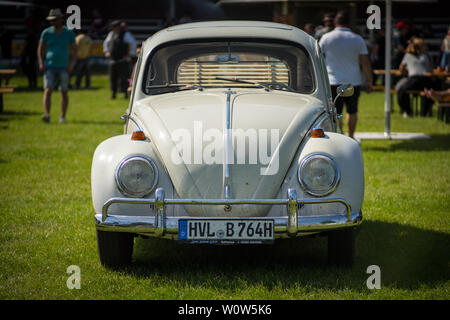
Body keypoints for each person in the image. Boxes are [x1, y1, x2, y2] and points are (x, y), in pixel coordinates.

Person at [319, 11, 373, 139]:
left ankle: (340, 137)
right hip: (353, 81)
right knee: (352, 111)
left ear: (335, 23)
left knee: (337, 112)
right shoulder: (357, 39)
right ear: (349, 24)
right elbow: (365, 62)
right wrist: (369, 81)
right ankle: (351, 136)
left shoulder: (326, 38)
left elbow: (319, 58)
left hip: (332, 81)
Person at [37, 9, 77, 123]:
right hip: (49, 66)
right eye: (51, 20)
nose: (53, 22)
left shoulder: (69, 33)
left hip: (64, 66)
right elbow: (40, 48)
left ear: (60, 19)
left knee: (64, 92)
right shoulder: (46, 32)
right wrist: (40, 62)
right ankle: (47, 114)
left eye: (55, 20)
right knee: (48, 90)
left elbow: (75, 50)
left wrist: (72, 64)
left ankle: (62, 117)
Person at [397, 37, 436, 118]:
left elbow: (401, 69)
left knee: (401, 91)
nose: (425, 47)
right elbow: (431, 69)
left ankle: (407, 111)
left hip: (414, 79)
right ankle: (425, 112)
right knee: (431, 90)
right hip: (425, 79)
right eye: (423, 46)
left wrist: (407, 72)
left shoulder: (407, 56)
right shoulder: (426, 56)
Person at [103, 21, 132, 99]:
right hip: (113, 60)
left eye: (116, 27)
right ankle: (113, 94)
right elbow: (106, 43)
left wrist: (129, 54)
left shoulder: (126, 34)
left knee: (124, 77)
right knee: (113, 78)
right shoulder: (111, 34)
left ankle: (126, 94)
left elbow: (132, 43)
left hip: (122, 60)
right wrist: (107, 51)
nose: (115, 29)